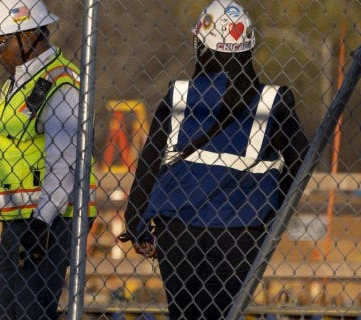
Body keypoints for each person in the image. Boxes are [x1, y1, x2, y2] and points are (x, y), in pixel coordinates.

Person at [119, 1, 309, 319]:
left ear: (202, 47)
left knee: (185, 313)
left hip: (178, 231)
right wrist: (276, 208)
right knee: (226, 312)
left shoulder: (179, 95)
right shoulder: (271, 102)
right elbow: (300, 157)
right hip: (242, 230)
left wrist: (136, 221)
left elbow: (150, 160)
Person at [0, 0, 97, 318]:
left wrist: (42, 222)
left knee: (30, 310)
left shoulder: (61, 84)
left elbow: (65, 162)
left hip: (51, 219)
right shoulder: (19, 84)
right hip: (21, 219)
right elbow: (2, 151)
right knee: (10, 310)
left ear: (28, 36)